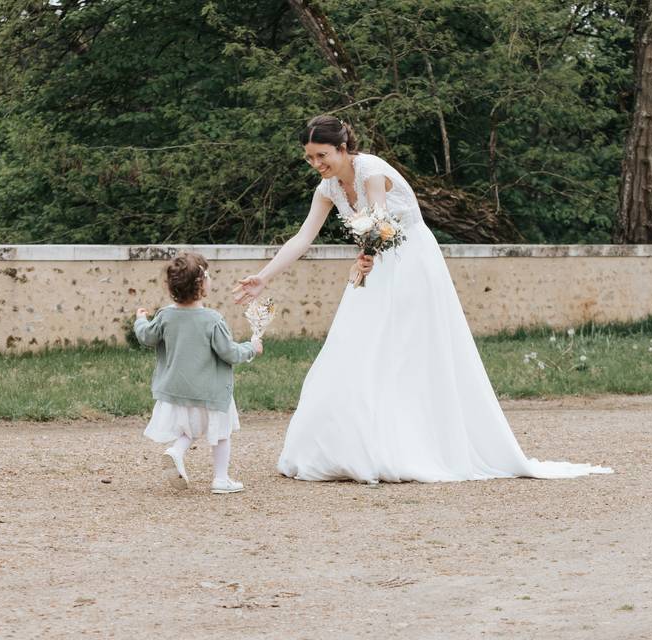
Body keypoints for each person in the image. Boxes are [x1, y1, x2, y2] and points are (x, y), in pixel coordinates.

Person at [233, 115, 611, 483]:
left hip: (410, 261)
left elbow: (380, 218)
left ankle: (408, 445)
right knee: (354, 347)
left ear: (344, 148)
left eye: (322, 156)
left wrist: (367, 252)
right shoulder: (329, 189)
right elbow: (303, 237)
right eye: (310, 157)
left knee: (404, 351)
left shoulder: (371, 170)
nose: (316, 164)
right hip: (373, 264)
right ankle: (350, 444)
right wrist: (263, 277)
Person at [135, 252, 262, 493]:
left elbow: (146, 337)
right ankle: (221, 479)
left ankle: (176, 451)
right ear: (201, 284)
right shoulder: (212, 320)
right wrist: (251, 348)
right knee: (221, 434)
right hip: (211, 390)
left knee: (190, 428)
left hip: (178, 388)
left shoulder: (165, 316)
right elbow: (229, 353)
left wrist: (140, 320)